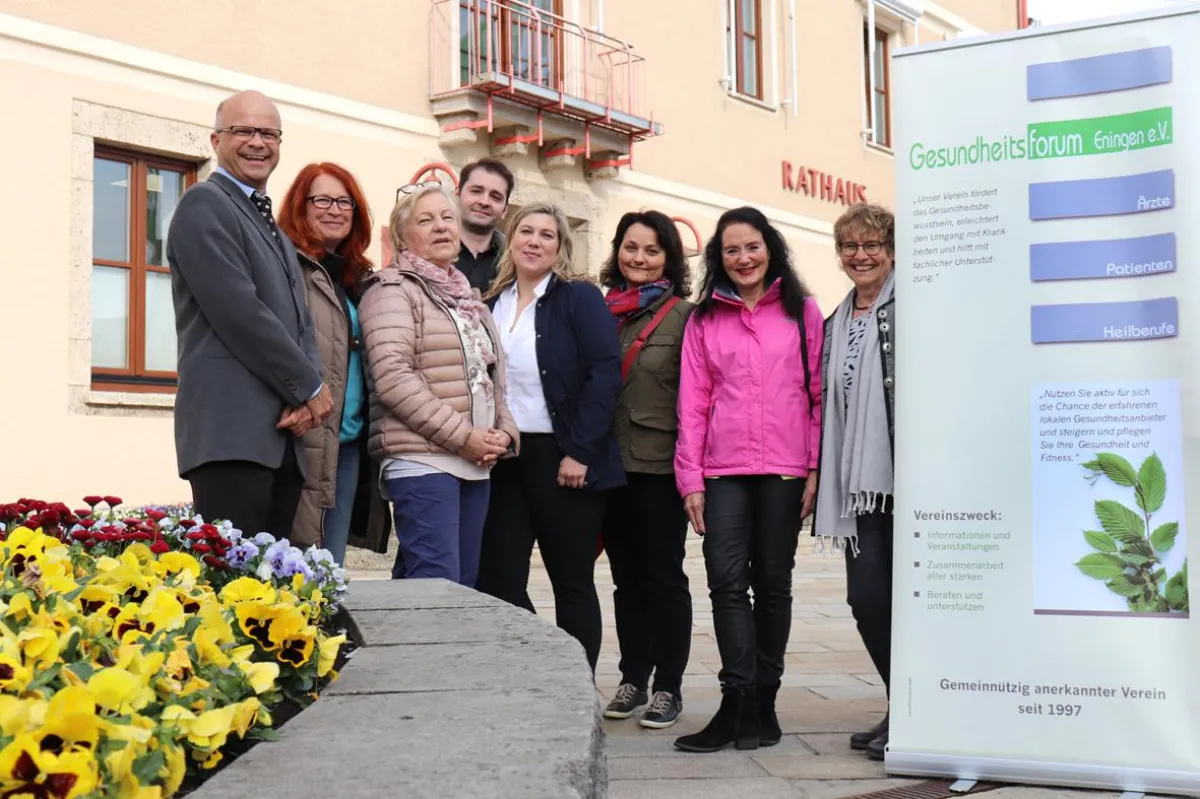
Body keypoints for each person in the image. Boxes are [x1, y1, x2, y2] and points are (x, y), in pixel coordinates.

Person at [672, 206, 823, 754]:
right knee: (727, 583)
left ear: (770, 248)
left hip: (785, 470)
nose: (743, 258)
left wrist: (813, 468)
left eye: (752, 246)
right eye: (732, 249)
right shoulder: (704, 319)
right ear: (720, 257)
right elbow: (692, 403)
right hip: (724, 470)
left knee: (774, 586)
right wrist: (690, 478)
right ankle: (736, 700)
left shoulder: (801, 311)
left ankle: (766, 701)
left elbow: (817, 396)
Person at [167, 89, 332, 538]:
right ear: (215, 140)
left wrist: (308, 398)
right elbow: (240, 313)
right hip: (231, 436)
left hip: (279, 439)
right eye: (243, 131)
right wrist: (310, 386)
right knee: (232, 595)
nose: (258, 142)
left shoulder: (272, 228)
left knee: (269, 601)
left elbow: (298, 325)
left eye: (269, 133)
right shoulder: (203, 205)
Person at [475, 203, 623, 673]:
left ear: (560, 247)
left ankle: (577, 684)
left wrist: (579, 451)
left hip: (564, 457)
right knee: (499, 578)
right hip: (505, 458)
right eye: (526, 231)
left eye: (547, 235)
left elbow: (605, 372)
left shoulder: (578, 297)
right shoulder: (489, 302)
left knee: (571, 580)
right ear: (510, 238)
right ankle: (540, 670)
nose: (534, 241)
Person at [357, 183, 519, 587]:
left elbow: (492, 379)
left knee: (455, 585)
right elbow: (393, 378)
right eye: (425, 220)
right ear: (402, 236)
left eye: (448, 218)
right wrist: (465, 436)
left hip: (474, 462)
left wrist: (504, 431)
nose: (441, 227)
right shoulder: (391, 290)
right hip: (422, 460)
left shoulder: (468, 298)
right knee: (439, 585)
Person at [597, 211, 695, 729]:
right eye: (630, 248)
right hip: (608, 465)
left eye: (652, 251)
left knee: (662, 577)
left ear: (669, 259)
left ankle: (669, 687)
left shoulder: (685, 317)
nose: (638, 258)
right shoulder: (599, 310)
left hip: (658, 466)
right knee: (624, 579)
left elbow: (699, 397)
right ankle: (633, 676)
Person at [812, 203, 896, 762]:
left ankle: (916, 710)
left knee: (914, 603)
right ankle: (904, 701)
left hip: (911, 483)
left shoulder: (916, 308)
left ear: (891, 250)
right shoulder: (835, 321)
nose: (860, 255)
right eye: (850, 247)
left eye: (871, 245)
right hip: (860, 487)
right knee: (867, 599)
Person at [278, 162, 391, 563]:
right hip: (302, 439)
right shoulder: (286, 266)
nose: (335, 209)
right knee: (296, 565)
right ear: (300, 206)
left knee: (331, 568)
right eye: (322, 199)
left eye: (345, 202)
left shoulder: (358, 279)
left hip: (348, 444)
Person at [454, 158, 514, 292]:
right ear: (457, 194)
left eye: (495, 197)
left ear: (505, 209)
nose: (484, 201)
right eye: (476, 191)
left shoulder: (515, 264)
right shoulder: (426, 251)